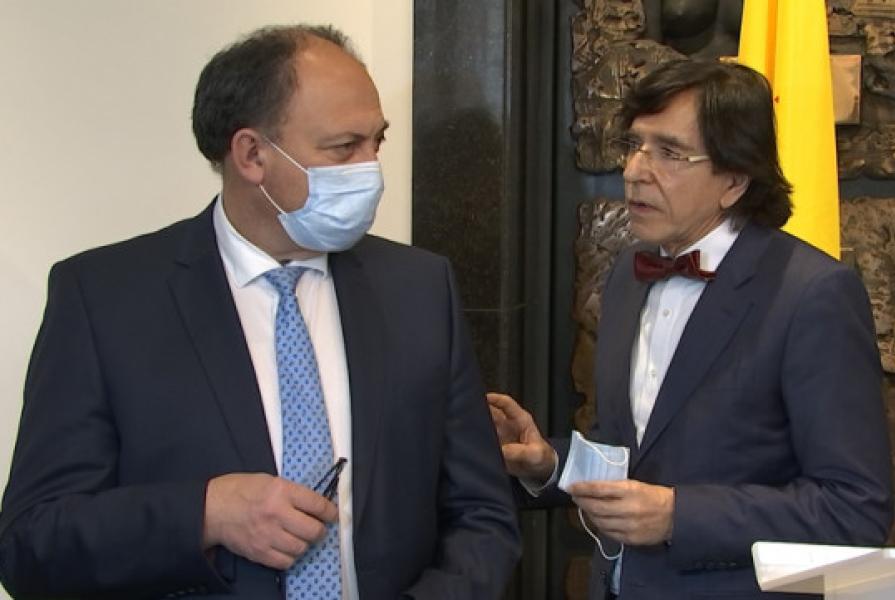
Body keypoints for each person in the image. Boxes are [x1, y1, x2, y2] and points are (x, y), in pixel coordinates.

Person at [0, 24, 519, 600]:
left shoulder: (419, 289)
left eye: (378, 142)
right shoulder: (105, 299)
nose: (371, 169)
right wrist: (205, 513)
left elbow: (482, 516)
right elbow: (31, 545)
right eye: (344, 147)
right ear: (251, 154)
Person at [489, 59, 893, 599]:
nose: (635, 169)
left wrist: (680, 517)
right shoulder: (628, 274)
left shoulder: (812, 295)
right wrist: (552, 465)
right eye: (634, 145)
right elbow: (634, 454)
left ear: (734, 180)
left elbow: (855, 509)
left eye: (669, 152)